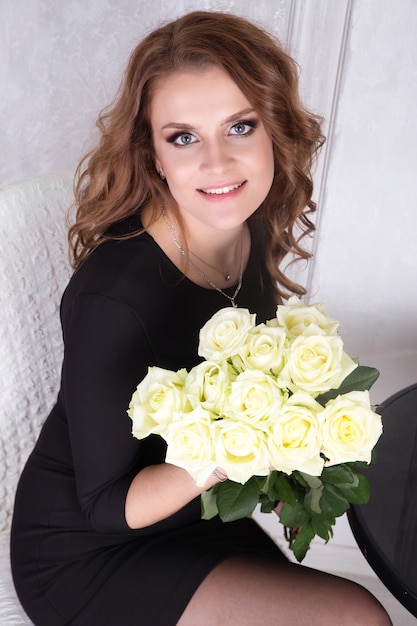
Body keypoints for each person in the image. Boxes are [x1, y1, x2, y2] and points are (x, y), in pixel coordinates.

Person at [10, 10, 392, 626]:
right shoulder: (114, 299)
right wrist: (244, 448)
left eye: (240, 126)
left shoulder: (247, 226)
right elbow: (107, 506)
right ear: (153, 154)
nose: (217, 164)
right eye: (183, 137)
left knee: (354, 613)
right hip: (89, 551)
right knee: (355, 618)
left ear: (276, 129)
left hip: (195, 518)